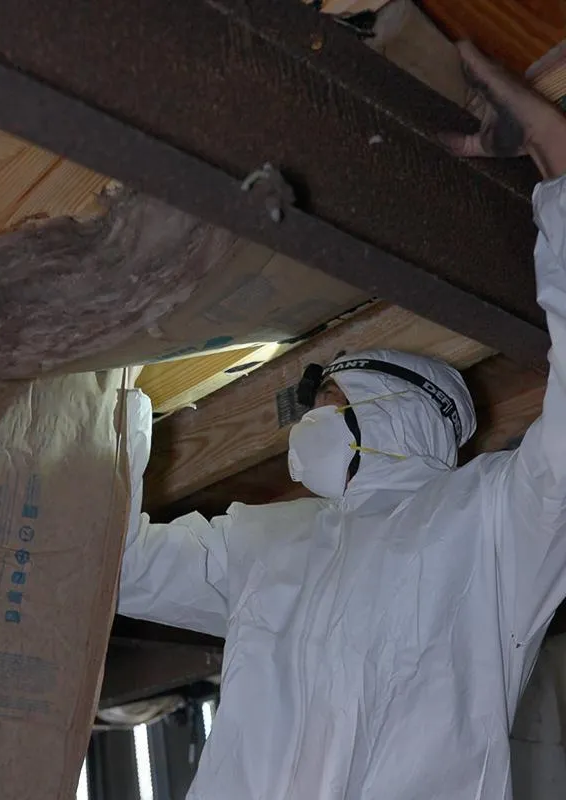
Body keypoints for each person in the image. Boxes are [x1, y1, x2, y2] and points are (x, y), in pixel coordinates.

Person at [120, 42, 566, 800]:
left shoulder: (491, 524)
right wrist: (119, 386)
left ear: (397, 414)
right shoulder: (265, 542)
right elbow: (122, 565)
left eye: (329, 403)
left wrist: (557, 164)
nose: (306, 429)